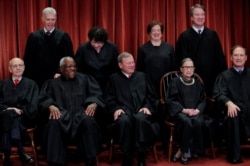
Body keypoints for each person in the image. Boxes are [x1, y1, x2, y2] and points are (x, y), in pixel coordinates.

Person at [39, 57, 105, 166]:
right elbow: (43, 98)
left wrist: (94, 103)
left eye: (74, 66)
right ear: (61, 68)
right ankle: (55, 161)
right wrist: (50, 105)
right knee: (53, 122)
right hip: (61, 116)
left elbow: (97, 94)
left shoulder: (85, 79)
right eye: (69, 66)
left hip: (81, 115)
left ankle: (90, 158)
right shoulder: (52, 83)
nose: (73, 68)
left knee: (88, 120)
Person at [105, 52, 160, 166]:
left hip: (141, 110)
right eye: (128, 63)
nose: (132, 65)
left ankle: (141, 155)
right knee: (124, 120)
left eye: (132, 62)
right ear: (120, 65)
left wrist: (147, 107)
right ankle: (127, 155)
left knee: (140, 119)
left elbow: (152, 96)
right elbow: (109, 99)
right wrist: (116, 108)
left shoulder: (142, 76)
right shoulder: (114, 79)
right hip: (124, 111)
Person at [175, 4, 227, 98]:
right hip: (192, 80)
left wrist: (222, 77)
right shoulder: (184, 37)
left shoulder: (212, 35)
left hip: (212, 79)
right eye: (197, 15)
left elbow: (220, 58)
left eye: (202, 14)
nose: (200, 17)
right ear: (191, 17)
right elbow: (181, 59)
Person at [213, 45, 250, 164]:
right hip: (235, 110)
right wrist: (229, 103)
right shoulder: (224, 76)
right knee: (233, 115)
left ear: (246, 58)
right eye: (236, 55)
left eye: (241, 55)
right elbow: (218, 94)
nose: (238, 58)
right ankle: (234, 156)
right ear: (231, 57)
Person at [166, 58, 206, 165]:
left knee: (197, 121)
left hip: (195, 113)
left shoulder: (197, 83)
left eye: (191, 67)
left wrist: (197, 110)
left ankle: (181, 151)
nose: (189, 70)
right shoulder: (175, 82)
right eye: (186, 67)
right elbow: (170, 100)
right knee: (187, 122)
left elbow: (203, 100)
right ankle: (186, 153)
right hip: (180, 112)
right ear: (181, 69)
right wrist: (185, 110)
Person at [0, 58, 39, 166]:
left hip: (24, 117)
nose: (18, 68)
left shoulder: (31, 84)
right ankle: (21, 151)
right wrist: (10, 109)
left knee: (8, 117)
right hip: (5, 115)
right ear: (10, 69)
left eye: (20, 65)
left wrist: (19, 111)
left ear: (24, 67)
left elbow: (33, 105)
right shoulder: (2, 84)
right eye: (15, 66)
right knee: (8, 115)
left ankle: (7, 156)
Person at [23, 7, 74, 89]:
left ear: (56, 19)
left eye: (53, 19)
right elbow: (28, 59)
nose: (50, 22)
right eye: (48, 19)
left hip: (58, 77)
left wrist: (60, 72)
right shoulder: (34, 37)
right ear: (42, 19)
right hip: (38, 78)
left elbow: (68, 58)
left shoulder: (63, 36)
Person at [137, 20, 175, 96]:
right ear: (149, 33)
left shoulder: (169, 47)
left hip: (166, 84)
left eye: (158, 30)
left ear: (162, 33)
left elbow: (173, 67)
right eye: (153, 31)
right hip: (148, 85)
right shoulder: (143, 48)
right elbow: (139, 69)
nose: (156, 33)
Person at [75, 26, 119, 92]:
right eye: (93, 42)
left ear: (104, 41)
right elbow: (78, 66)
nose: (96, 45)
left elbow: (116, 66)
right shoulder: (83, 48)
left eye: (99, 43)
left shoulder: (112, 48)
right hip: (88, 82)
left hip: (107, 82)